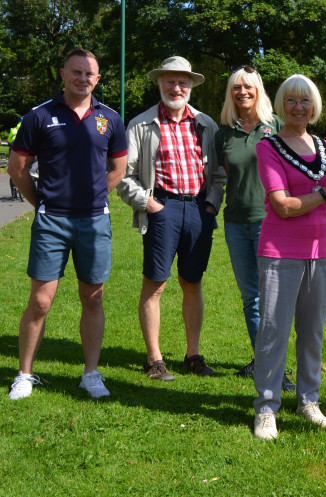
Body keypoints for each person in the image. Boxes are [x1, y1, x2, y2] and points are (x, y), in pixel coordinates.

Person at [7, 49, 127, 400]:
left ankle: (91, 373)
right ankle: (25, 374)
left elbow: (117, 169)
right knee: (41, 301)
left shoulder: (110, 119)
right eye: (76, 72)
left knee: (93, 298)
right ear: (63, 74)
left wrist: (92, 198)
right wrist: (44, 201)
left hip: (94, 222)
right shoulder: (39, 116)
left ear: (98, 79)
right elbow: (17, 168)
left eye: (89, 74)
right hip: (52, 222)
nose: (83, 79)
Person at [252, 75, 326, 440]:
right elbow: (282, 206)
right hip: (280, 252)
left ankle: (308, 400)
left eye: (305, 101)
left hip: (320, 250)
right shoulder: (269, 146)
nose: (299, 107)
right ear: (281, 104)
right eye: (291, 100)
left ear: (314, 106)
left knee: (311, 332)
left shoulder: (321, 143)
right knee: (274, 331)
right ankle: (267, 407)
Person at [118, 56, 226, 381]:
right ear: (160, 83)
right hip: (162, 207)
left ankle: (193, 355)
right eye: (170, 81)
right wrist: (150, 205)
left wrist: (211, 206)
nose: (176, 87)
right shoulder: (140, 124)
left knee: (192, 283)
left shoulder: (206, 124)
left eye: (182, 82)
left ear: (190, 86)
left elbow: (218, 173)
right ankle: (154, 359)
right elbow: (125, 177)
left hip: (198, 208)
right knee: (155, 283)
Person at [215, 65, 295, 392]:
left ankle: (277, 369)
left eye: (248, 87)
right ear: (231, 93)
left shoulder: (275, 127)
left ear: (258, 90)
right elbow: (224, 175)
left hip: (269, 223)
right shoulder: (224, 133)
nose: (243, 92)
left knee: (272, 298)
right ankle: (262, 361)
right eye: (237, 88)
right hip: (235, 223)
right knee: (251, 298)